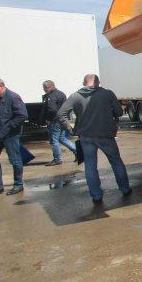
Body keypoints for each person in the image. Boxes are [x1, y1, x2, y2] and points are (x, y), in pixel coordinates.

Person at [57, 74, 131, 204]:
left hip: (86, 137)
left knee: (90, 166)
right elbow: (119, 112)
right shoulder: (107, 94)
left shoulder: (75, 96)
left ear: (83, 82)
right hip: (106, 135)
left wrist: (70, 129)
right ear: (98, 82)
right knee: (116, 162)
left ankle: (96, 196)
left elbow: (60, 114)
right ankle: (125, 189)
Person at [40, 80, 76, 166]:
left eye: (44, 88)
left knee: (54, 141)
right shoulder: (61, 94)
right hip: (62, 120)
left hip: (54, 121)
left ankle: (57, 159)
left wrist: (48, 118)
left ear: (47, 87)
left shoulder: (51, 96)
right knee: (62, 138)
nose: (44, 90)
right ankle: (77, 152)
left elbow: (51, 109)